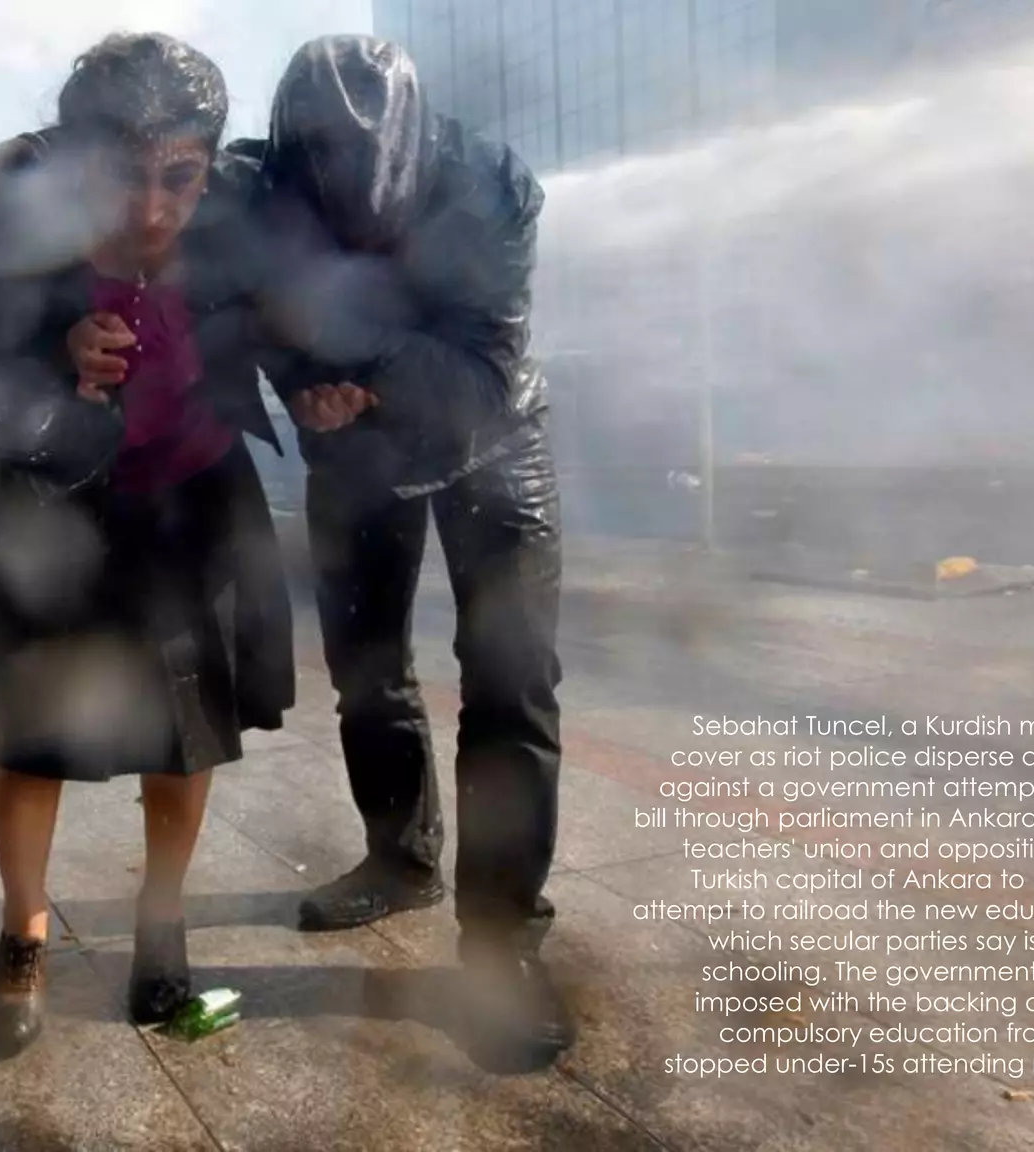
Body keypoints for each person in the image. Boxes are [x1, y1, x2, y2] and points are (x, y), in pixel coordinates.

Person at [0, 32, 292, 1057]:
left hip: (188, 499)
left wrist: (340, 388)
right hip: (45, 507)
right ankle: (23, 927)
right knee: (27, 732)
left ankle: (159, 926)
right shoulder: (12, 190)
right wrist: (50, 349)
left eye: (180, 177)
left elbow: (297, 310)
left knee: (186, 730)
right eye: (122, 178)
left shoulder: (239, 204)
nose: (154, 210)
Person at [268, 35, 572, 1069]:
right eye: (319, 174)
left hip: (493, 440)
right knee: (365, 673)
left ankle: (500, 942)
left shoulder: (488, 188)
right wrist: (302, 378)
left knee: (510, 683)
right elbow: (249, 309)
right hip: (353, 447)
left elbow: (482, 379)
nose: (343, 201)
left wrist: (356, 350)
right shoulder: (263, 188)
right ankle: (398, 861)